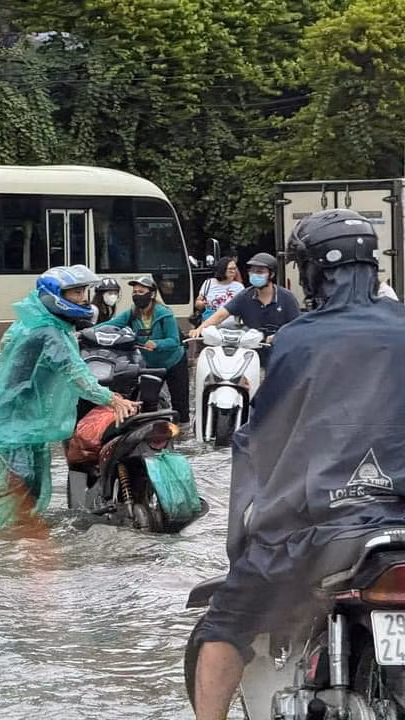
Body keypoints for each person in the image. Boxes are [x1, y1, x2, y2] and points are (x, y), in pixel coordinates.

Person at [190, 209, 405, 720]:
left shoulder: (298, 338)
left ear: (310, 272)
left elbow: (265, 439)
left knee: (223, 624)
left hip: (325, 532)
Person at [0, 265, 139, 531]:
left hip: (24, 417)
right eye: (75, 293)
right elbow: (74, 372)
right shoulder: (47, 330)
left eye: (83, 291)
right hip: (11, 417)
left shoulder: (38, 320)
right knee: (20, 479)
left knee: (31, 481)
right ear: (55, 296)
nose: (83, 298)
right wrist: (111, 399)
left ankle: (9, 528)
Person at [96, 275, 189, 425]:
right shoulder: (132, 313)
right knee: (147, 402)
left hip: (174, 362)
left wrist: (157, 344)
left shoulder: (164, 313)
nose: (136, 295)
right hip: (151, 365)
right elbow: (112, 324)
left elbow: (174, 341)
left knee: (180, 405)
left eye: (141, 291)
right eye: (134, 292)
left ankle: (182, 435)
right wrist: (86, 332)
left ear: (152, 294)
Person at [188, 253, 300, 348]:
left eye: (260, 272)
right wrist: (199, 329)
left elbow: (297, 327)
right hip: (251, 351)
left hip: (280, 351)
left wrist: (279, 336)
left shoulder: (286, 297)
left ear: (271, 274)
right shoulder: (245, 296)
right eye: (252, 271)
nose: (255, 274)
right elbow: (221, 314)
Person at [193, 256, 244, 325]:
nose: (233, 271)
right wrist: (200, 304)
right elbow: (198, 301)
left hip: (232, 326)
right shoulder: (208, 283)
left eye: (235, 269)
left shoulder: (239, 287)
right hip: (210, 325)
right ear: (222, 269)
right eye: (230, 269)